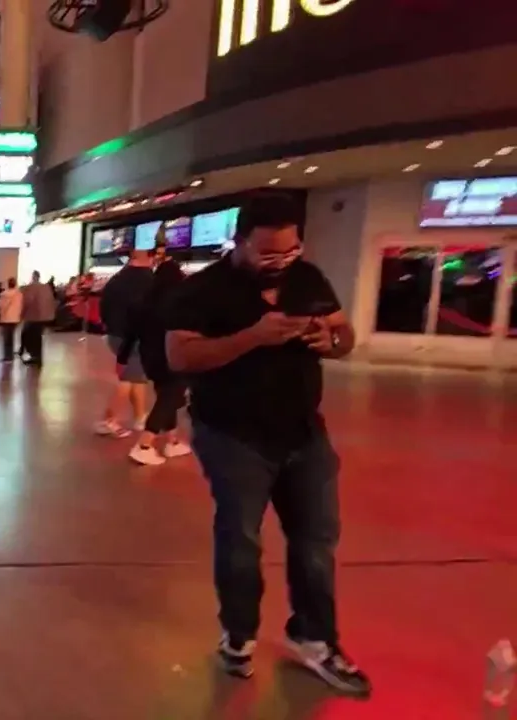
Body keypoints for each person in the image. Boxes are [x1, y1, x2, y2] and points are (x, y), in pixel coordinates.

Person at [164, 194, 368, 696]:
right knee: (241, 537)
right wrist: (253, 336)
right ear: (238, 242)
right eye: (268, 253)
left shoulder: (308, 279)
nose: (280, 262)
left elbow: (344, 333)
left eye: (290, 251)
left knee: (316, 539)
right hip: (232, 434)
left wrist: (330, 342)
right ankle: (238, 634)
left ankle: (315, 636)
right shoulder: (203, 290)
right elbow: (180, 357)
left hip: (304, 433)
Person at [114, 259, 191, 465]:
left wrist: (122, 358)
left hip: (150, 358)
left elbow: (130, 334)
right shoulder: (181, 302)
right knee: (170, 397)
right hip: (174, 356)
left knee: (167, 397)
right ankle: (144, 445)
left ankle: (173, 441)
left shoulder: (144, 301)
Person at [97, 248, 155, 437]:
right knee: (129, 379)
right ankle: (109, 420)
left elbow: (103, 307)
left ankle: (140, 417)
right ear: (150, 257)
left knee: (137, 377)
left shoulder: (116, 279)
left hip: (115, 335)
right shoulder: (150, 280)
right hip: (136, 337)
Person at [19, 271, 56, 367]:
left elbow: (27, 301)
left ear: (33, 277)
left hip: (34, 316)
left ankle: (35, 357)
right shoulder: (46, 287)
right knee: (37, 336)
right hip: (44, 316)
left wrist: (22, 314)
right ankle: (37, 357)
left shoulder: (30, 287)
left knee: (30, 336)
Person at [0, 277, 23, 363]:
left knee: (6, 339)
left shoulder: (4, 294)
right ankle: (11, 355)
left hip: (6, 318)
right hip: (15, 318)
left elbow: (1, 306)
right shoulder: (19, 294)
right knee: (11, 337)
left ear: (8, 284)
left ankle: (7, 356)